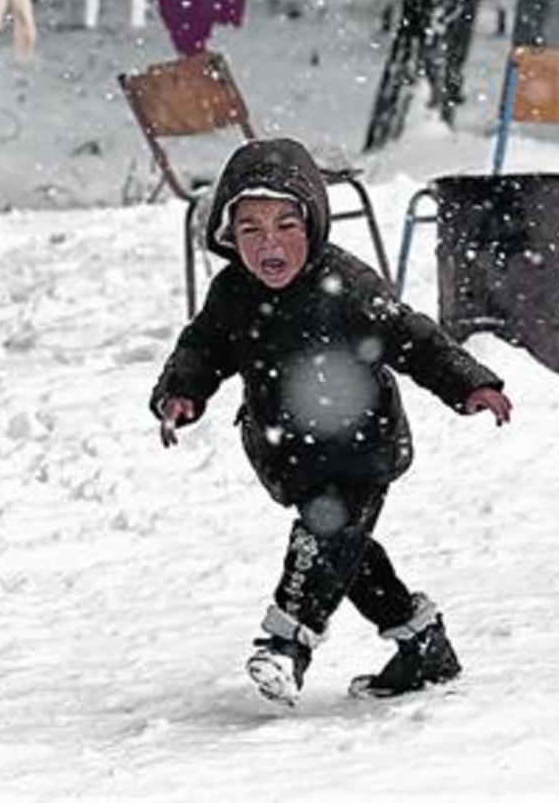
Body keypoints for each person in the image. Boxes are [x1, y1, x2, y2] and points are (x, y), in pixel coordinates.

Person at [150, 138, 512, 706]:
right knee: (348, 554)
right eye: (251, 230)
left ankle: (286, 645)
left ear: (314, 225)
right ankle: (423, 647)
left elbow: (413, 338)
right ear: (228, 236)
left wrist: (469, 382)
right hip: (290, 453)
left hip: (361, 448)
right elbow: (202, 349)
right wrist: (181, 394)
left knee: (323, 538)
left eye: (285, 225)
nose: (269, 243)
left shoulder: (346, 284)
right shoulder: (232, 294)